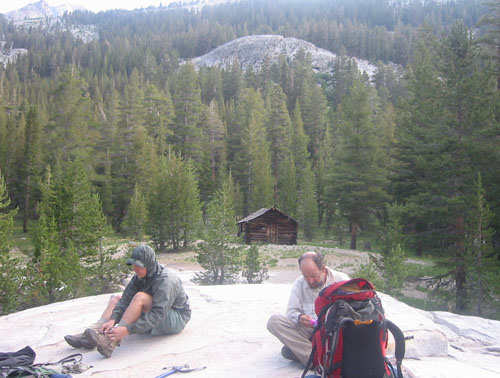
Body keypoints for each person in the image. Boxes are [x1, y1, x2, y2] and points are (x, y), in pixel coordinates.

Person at [64, 244, 191, 358]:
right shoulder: (140, 276)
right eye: (133, 264)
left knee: (140, 297)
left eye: (138, 266)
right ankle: (94, 333)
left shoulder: (165, 281)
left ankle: (111, 342)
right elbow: (125, 299)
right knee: (116, 299)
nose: (134, 269)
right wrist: (113, 319)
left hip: (175, 319)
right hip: (158, 314)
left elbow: (157, 314)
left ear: (149, 265)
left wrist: (126, 330)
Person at [267, 251, 349, 366]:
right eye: (306, 276)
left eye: (313, 276)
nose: (310, 281)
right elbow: (291, 312)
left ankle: (309, 354)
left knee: (288, 351)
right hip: (310, 331)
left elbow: (351, 312)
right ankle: (316, 358)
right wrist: (300, 317)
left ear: (323, 268)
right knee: (274, 322)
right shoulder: (299, 283)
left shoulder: (341, 280)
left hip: (333, 333)